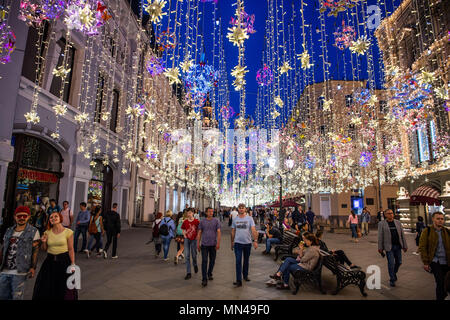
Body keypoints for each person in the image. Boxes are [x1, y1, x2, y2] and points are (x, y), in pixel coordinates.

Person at [32, 211, 77, 300]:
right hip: (50, 262)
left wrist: (73, 264)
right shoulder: (47, 232)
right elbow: (44, 249)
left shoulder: (68, 232)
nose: (53, 218)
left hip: (64, 261)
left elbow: (71, 249)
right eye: (51, 217)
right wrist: (44, 242)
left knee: (63, 286)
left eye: (55, 216)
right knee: (47, 285)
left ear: (60, 218)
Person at [0, 206, 40, 300]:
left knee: (17, 297)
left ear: (29, 217)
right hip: (4, 270)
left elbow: (35, 251)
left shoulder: (33, 231)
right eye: (19, 216)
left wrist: (33, 267)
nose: (22, 218)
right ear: (15, 217)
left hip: (20, 271)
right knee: (2, 296)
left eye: (24, 216)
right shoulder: (9, 230)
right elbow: (3, 248)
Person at [418, 211, 450, 300]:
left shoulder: (447, 232)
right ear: (433, 219)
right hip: (436, 262)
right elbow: (422, 247)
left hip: (447, 262)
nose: (440, 221)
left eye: (442, 219)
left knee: (447, 283)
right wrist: (425, 262)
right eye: (438, 219)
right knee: (440, 282)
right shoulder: (427, 231)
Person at [378, 208, 408, 287]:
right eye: (388, 213)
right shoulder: (381, 224)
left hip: (398, 246)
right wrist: (380, 247)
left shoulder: (398, 223)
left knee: (399, 262)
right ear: (385, 215)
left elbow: (402, 235)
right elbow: (380, 237)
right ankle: (392, 279)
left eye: (391, 213)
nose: (391, 215)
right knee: (391, 263)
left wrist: (405, 245)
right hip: (389, 247)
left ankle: (393, 273)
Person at [231, 203, 258, 287]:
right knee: (238, 261)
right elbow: (232, 231)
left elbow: (253, 230)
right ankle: (239, 280)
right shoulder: (235, 219)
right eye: (240, 208)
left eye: (243, 208)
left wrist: (255, 240)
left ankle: (245, 275)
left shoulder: (250, 218)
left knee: (246, 260)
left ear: (245, 209)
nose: (241, 209)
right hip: (238, 243)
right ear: (238, 209)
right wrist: (232, 242)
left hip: (247, 243)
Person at [197, 207, 221, 287]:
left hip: (213, 244)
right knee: (204, 261)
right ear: (206, 213)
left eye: (212, 211)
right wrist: (198, 243)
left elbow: (218, 232)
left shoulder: (216, 221)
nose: (211, 213)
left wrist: (218, 243)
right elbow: (199, 232)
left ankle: (209, 273)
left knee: (212, 261)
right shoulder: (202, 221)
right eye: (209, 211)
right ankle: (204, 279)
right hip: (204, 244)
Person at [181, 208, 199, 279]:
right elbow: (183, 228)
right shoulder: (185, 221)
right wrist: (184, 235)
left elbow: (199, 230)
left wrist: (197, 236)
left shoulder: (196, 221)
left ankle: (195, 264)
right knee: (187, 256)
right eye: (188, 213)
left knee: (194, 255)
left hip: (194, 239)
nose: (189, 214)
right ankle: (188, 273)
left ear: (193, 213)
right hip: (187, 240)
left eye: (190, 213)